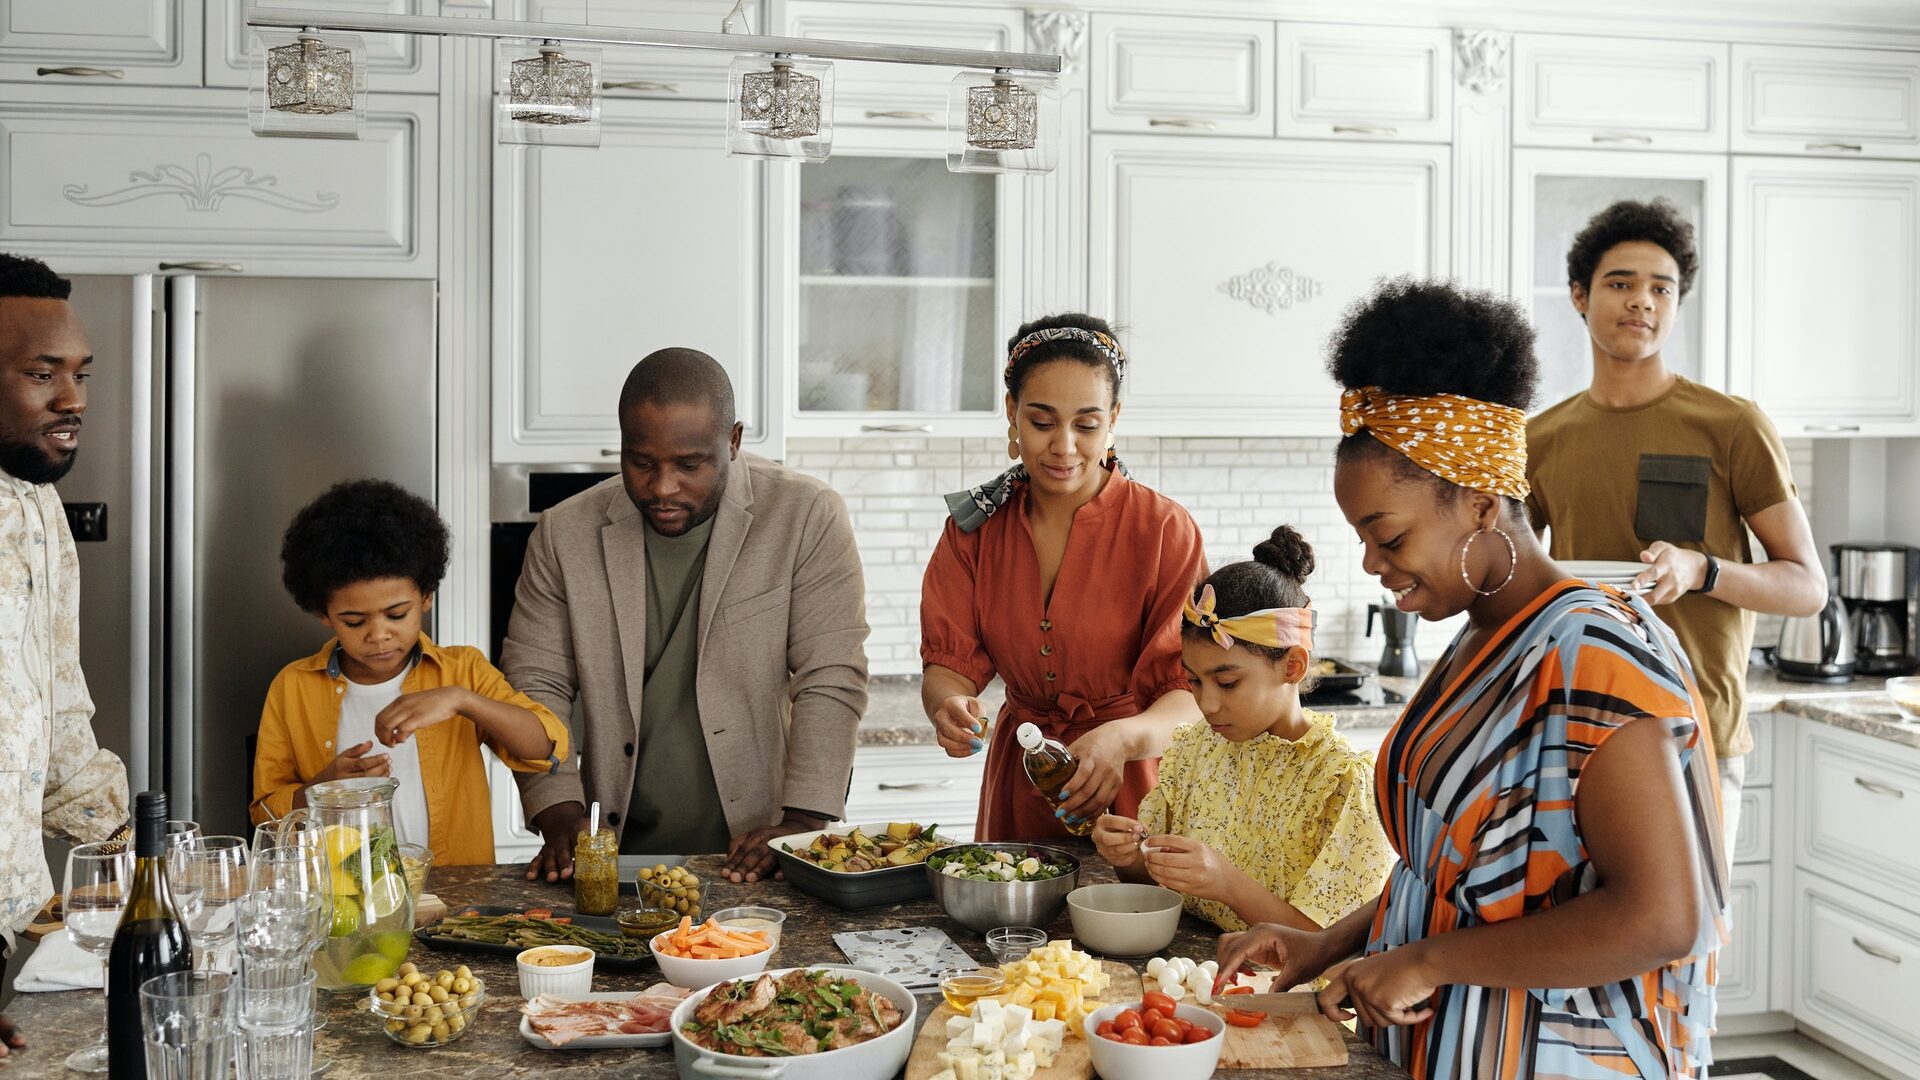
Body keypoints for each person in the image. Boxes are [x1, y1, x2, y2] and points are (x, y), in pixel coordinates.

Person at [1219, 278, 1729, 1079]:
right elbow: (1453, 876)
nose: (1371, 563)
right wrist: (1331, 944)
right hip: (1444, 1050)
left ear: (1483, 505)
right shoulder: (1479, 638)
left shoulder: (1592, 654)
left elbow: (1663, 917)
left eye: (1385, 533)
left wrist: (1430, 963)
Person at [505, 348, 868, 885]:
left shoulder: (806, 516)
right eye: (641, 461)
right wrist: (556, 808)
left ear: (734, 442)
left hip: (758, 851)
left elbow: (831, 676)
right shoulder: (564, 533)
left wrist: (802, 825)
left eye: (689, 465)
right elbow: (535, 682)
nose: (662, 488)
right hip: (618, 854)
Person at [1527, 198, 1825, 851]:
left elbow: (1807, 587)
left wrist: (1702, 569)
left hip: (1696, 732)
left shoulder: (1731, 425)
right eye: (1620, 283)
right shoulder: (1541, 439)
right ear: (1579, 296)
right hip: (1580, 730)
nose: (1642, 301)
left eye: (1661, 288)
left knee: (1689, 946)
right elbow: (1514, 578)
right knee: (1581, 946)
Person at [921, 314, 1206, 840]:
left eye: (1087, 424)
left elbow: (1191, 695)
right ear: (1012, 414)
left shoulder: (1165, 530)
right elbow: (948, 666)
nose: (1065, 447)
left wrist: (1119, 741)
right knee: (1013, 920)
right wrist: (949, 707)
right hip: (1021, 781)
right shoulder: (973, 533)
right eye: (1043, 421)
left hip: (1136, 786)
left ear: (1114, 418)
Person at [251, 479, 571, 866]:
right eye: (354, 621)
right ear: (324, 614)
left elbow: (547, 749)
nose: (379, 635)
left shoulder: (461, 671)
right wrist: (324, 790)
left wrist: (461, 700)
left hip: (455, 897)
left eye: (397, 614)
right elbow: (265, 815)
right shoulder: (292, 687)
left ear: (426, 596)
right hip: (340, 898)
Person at [1092, 526, 1392, 933]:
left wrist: (1227, 883)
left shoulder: (1341, 783)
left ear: (1293, 666)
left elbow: (1330, 946)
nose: (1206, 704)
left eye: (1227, 682)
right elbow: (1160, 888)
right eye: (1194, 681)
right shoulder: (1194, 751)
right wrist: (1130, 860)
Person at [0, 253, 130, 1059]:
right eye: (41, 374)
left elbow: (54, 711)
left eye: (80, 373)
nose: (72, 399)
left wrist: (141, 859)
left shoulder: (39, 510)